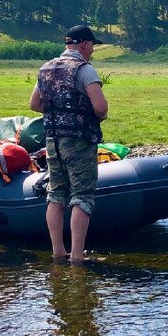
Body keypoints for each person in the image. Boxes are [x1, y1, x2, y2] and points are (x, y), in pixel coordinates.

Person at [30, 25, 108, 262]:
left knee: (56, 194)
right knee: (82, 196)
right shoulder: (84, 70)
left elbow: (34, 104)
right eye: (92, 45)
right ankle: (76, 256)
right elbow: (101, 108)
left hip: (53, 140)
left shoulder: (46, 69)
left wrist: (60, 114)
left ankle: (57, 252)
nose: (92, 50)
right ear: (84, 44)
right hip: (80, 141)